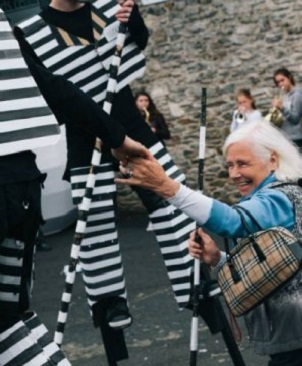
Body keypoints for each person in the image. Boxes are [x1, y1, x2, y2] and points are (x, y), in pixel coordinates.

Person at [15, 0, 199, 354]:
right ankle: (110, 302)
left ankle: (193, 277)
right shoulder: (33, 33)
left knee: (171, 201)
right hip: (84, 135)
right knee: (96, 221)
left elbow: (138, 42)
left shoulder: (111, 6)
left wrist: (135, 21)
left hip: (134, 126)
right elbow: (50, 96)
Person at [116, 122, 302, 366]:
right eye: (230, 165)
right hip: (300, 337)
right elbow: (266, 267)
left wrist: (166, 187)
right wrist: (217, 258)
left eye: (242, 163)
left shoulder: (280, 197)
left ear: (272, 160)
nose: (234, 174)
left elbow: (232, 221)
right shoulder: (270, 197)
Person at [1, 6, 147, 363]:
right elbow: (51, 86)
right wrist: (115, 134)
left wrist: (115, 135)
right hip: (18, 184)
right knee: (12, 319)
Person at [271, 67, 302, 218]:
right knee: (292, 176)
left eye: (283, 80)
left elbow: (294, 119)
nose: (281, 84)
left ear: (290, 78)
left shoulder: (298, 96)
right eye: (278, 82)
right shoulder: (285, 96)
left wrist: (281, 108)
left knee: (301, 174)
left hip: (299, 139)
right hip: (288, 139)